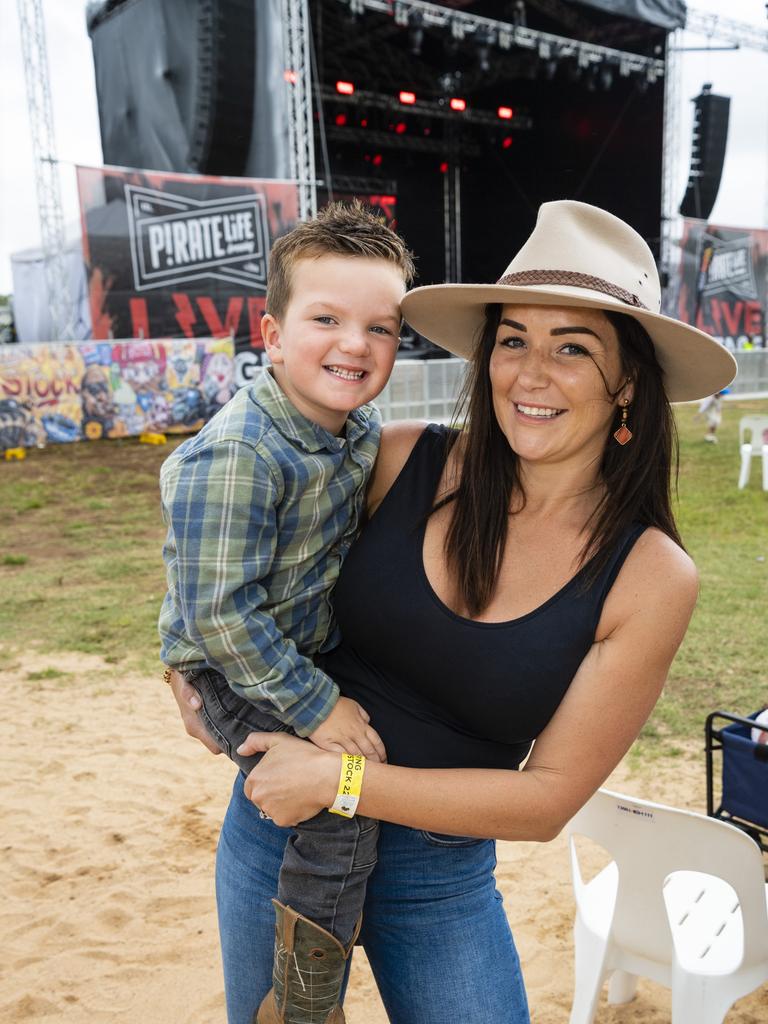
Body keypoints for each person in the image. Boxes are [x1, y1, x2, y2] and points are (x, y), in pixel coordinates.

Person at [170, 200, 737, 1024]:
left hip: (437, 877)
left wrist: (345, 779)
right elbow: (226, 542)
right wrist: (184, 666)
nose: (530, 375)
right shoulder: (398, 459)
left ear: (628, 386)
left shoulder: (650, 576)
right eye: (513, 341)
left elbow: (544, 802)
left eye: (571, 348)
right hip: (280, 831)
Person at [159, 200, 414, 1024]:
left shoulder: (355, 430)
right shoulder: (244, 451)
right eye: (327, 319)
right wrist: (320, 705)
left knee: (351, 790)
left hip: (287, 645)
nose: (355, 344)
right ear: (270, 334)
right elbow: (220, 614)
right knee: (344, 806)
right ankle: (302, 1004)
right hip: (233, 663)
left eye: (381, 327)